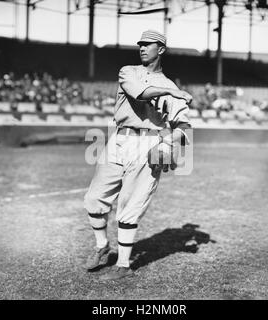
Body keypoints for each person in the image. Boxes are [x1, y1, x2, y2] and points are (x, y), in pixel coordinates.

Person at [83, 30, 193, 281]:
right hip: (119, 138)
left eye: (148, 44)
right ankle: (102, 247)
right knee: (94, 198)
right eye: (140, 44)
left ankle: (123, 265)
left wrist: (168, 143)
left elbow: (184, 129)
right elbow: (140, 92)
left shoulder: (169, 85)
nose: (142, 48)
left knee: (130, 205)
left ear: (161, 49)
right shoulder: (128, 71)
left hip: (148, 143)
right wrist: (174, 93)